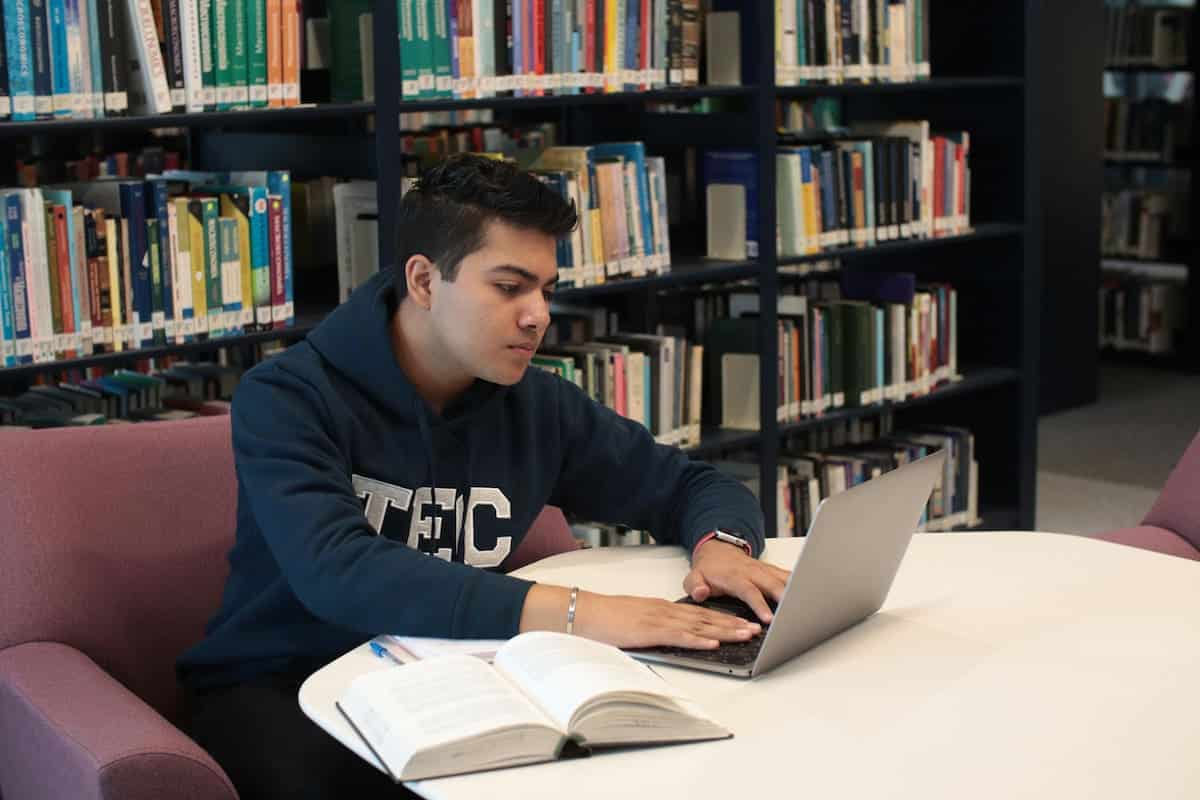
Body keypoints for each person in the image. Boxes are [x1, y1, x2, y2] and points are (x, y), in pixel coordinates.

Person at [179, 154, 790, 800]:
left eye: (547, 289)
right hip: (284, 683)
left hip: (460, 674)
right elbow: (338, 571)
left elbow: (690, 485)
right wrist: (582, 615)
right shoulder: (286, 398)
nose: (539, 315)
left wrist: (721, 544)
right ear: (423, 281)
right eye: (509, 287)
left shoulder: (536, 405)